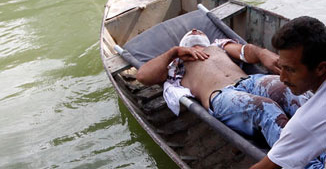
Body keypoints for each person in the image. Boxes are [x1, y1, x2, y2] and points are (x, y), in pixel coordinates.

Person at [136, 29, 311, 149]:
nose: (195, 29)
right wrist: (174, 52)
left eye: (199, 31)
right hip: (222, 96)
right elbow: (143, 76)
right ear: (183, 44)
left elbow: (245, 51)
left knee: (287, 90)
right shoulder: (176, 65)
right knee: (265, 108)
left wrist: (261, 53)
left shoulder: (218, 45)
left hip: (250, 81)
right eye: (191, 32)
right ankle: (306, 163)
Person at [250, 17, 326, 169]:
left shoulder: (310, 118)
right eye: (281, 67)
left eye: (291, 70)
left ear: (320, 68)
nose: (282, 78)